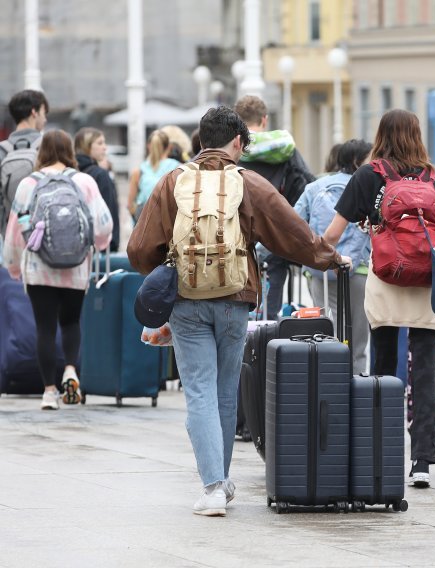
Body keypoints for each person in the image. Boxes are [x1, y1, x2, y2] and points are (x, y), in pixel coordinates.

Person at [127, 106, 346, 517]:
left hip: (187, 303)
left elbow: (139, 249)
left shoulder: (172, 182)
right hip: (234, 300)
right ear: (238, 143)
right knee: (226, 392)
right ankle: (220, 481)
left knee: (199, 391)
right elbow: (291, 234)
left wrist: (166, 273)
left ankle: (212, 485)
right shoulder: (248, 183)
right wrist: (328, 258)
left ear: (200, 140)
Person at [324, 109, 435, 489]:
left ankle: (380, 452)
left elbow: (333, 235)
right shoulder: (433, 178)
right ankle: (421, 461)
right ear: (417, 136)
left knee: (383, 367)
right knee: (424, 370)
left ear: (380, 136)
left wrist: (323, 256)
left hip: (386, 278)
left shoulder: (370, 174)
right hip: (426, 286)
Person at [2, 129, 113, 410]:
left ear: (41, 152)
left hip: (40, 268)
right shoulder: (84, 181)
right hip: (76, 267)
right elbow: (103, 224)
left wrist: (13, 266)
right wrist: (98, 243)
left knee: (45, 328)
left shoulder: (29, 183)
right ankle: (71, 372)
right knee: (71, 322)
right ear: (70, 152)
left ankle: (49, 391)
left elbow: (15, 229)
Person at [294, 139, 373, 374]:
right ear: (358, 162)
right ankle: (356, 394)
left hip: (321, 271)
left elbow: (295, 223)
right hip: (358, 272)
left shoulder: (314, 187)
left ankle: (327, 388)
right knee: (358, 342)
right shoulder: (370, 188)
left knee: (326, 336)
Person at [234, 95, 315, 320]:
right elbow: (307, 185)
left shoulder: (231, 148)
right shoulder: (284, 150)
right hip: (273, 238)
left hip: (233, 236)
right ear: (265, 120)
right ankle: (263, 348)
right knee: (268, 310)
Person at [0, 90, 49, 251]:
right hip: (41, 236)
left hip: (7, 236)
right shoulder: (48, 148)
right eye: (43, 113)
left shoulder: (2, 150)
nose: (45, 118)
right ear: (34, 112)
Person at [74, 127, 120, 252]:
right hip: (102, 247)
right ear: (86, 146)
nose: (105, 147)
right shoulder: (100, 174)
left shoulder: (71, 172)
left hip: (78, 245)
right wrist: (113, 243)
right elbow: (109, 212)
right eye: (100, 143)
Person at [127, 129, 180, 223]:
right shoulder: (177, 168)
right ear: (169, 147)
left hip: (143, 227)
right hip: (169, 225)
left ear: (148, 146)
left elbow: (130, 205)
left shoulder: (139, 171)